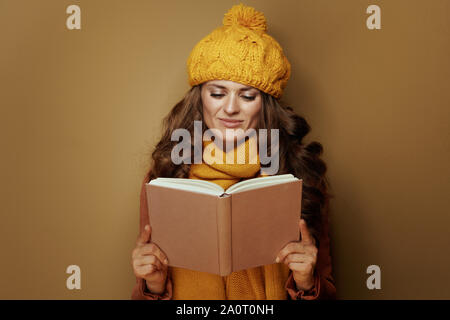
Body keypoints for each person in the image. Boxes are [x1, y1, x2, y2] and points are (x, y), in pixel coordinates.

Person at [131, 3, 336, 300]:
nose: (230, 108)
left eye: (247, 95)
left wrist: (306, 283)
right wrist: (154, 285)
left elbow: (329, 289)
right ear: (199, 98)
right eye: (217, 93)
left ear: (264, 104)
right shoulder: (165, 174)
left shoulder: (299, 174)